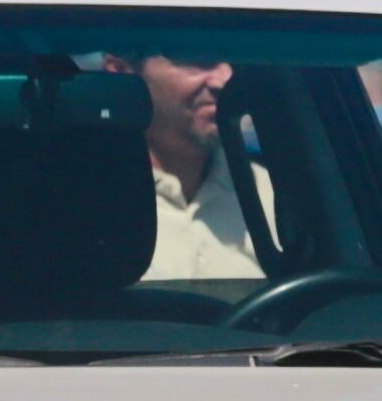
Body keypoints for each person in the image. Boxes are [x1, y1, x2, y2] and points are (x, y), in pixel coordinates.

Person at [108, 52, 278, 281]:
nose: (225, 79)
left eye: (233, 60)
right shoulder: (81, 204)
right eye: (196, 59)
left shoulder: (277, 197)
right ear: (121, 74)